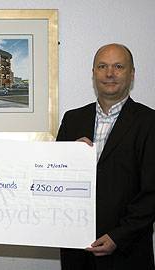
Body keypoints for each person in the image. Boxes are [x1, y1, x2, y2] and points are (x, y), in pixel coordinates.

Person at [57, 43, 155, 269]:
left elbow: (152, 193)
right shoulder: (72, 119)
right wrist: (68, 157)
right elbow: (55, 180)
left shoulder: (149, 122)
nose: (109, 73)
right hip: (76, 251)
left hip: (128, 253)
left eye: (118, 66)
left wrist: (118, 237)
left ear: (132, 74)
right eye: (102, 66)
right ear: (93, 74)